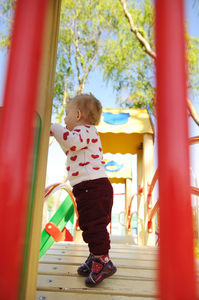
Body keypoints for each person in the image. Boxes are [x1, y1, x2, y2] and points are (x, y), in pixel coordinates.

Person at [50, 93, 117, 287]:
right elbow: (69, 147)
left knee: (95, 226)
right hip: (88, 188)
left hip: (93, 187)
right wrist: (57, 133)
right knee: (88, 225)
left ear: (78, 115)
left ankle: (103, 262)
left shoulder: (87, 131)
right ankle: (94, 257)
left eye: (67, 114)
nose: (64, 118)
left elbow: (70, 141)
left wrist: (54, 127)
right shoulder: (82, 136)